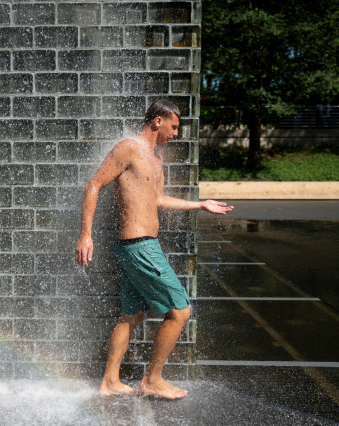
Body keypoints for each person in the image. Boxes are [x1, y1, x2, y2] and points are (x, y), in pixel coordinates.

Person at [75, 99, 233, 399]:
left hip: (139, 246)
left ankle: (110, 380)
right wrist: (86, 235)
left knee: (132, 315)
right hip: (139, 247)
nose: (176, 134)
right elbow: (94, 185)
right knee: (180, 310)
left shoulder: (156, 158)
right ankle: (153, 379)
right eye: (174, 127)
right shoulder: (128, 148)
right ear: (157, 121)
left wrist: (200, 204)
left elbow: (158, 199)